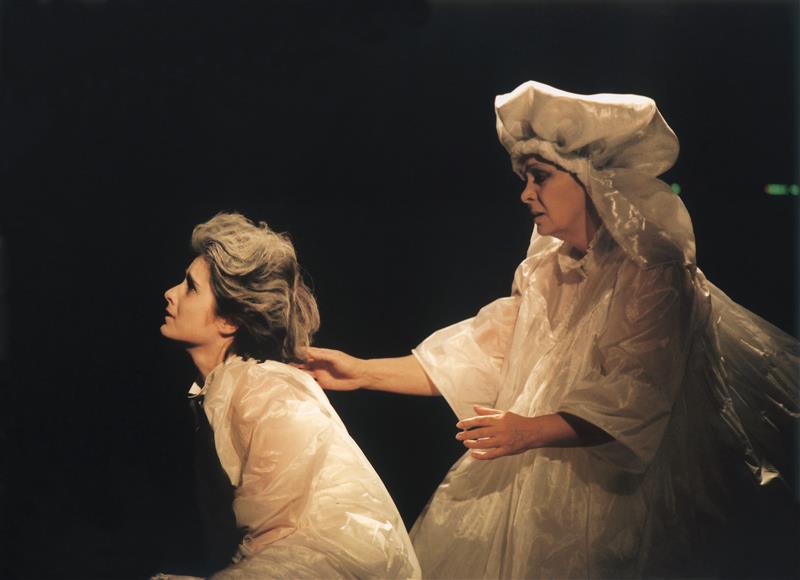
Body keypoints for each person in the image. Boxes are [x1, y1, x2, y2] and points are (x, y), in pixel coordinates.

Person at [305, 81, 799, 578]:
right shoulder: (544, 271)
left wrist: (529, 429)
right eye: (525, 178)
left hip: (626, 489)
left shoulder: (653, 271)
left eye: (540, 177)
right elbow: (481, 352)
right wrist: (362, 372)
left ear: (593, 179)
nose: (526, 193)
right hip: (537, 474)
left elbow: (639, 396)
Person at [157, 212, 421, 579]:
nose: (170, 293)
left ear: (228, 320)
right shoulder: (223, 389)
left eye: (190, 287)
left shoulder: (264, 388)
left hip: (339, 561)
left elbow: (282, 528)